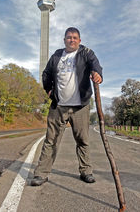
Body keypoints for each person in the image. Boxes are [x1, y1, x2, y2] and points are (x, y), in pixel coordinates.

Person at [31, 27, 102, 186]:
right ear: (64, 40)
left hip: (80, 106)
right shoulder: (57, 55)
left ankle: (86, 171)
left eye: (75, 37)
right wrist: (48, 89)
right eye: (69, 37)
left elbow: (95, 65)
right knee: (51, 140)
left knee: (83, 140)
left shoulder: (86, 53)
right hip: (59, 106)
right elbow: (46, 73)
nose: (72, 40)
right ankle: (41, 174)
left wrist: (97, 73)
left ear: (80, 40)